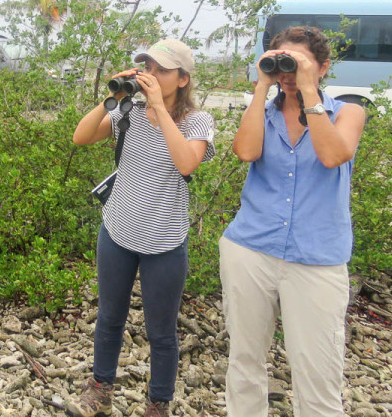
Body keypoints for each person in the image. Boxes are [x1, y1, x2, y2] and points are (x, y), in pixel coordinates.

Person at [220, 26, 365, 417]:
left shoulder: (348, 112)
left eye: (296, 63)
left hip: (316, 257)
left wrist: (309, 93)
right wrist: (260, 87)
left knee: (318, 373)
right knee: (245, 360)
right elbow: (246, 151)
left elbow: (333, 155)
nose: (287, 72)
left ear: (323, 67)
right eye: (279, 61)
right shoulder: (263, 114)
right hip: (250, 248)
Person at [68, 39, 215, 417]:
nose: (150, 74)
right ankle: (100, 390)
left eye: (161, 70)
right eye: (147, 67)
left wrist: (160, 110)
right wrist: (112, 98)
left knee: (161, 330)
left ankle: (158, 404)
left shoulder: (198, 121)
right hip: (118, 229)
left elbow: (186, 164)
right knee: (110, 316)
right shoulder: (127, 111)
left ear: (182, 79)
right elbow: (81, 137)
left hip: (164, 239)